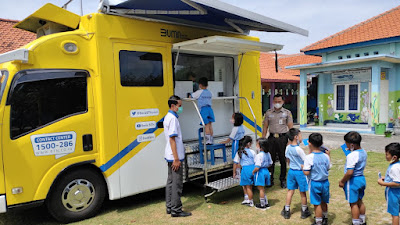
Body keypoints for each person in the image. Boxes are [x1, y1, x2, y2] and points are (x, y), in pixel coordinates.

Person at [163, 95, 191, 217]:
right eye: (179, 106)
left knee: (170, 182)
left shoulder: (168, 117)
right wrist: (176, 159)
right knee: (177, 183)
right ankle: (176, 209)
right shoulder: (173, 119)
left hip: (169, 155)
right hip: (174, 157)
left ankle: (169, 206)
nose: (181, 108)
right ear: (173, 106)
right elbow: (172, 140)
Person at [262, 94, 293, 188]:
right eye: (275, 101)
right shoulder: (268, 113)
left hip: (282, 138)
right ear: (273, 101)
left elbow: (290, 127)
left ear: (283, 102)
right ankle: (270, 179)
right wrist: (263, 139)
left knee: (283, 159)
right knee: (270, 159)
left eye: (279, 102)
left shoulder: (287, 113)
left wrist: (291, 140)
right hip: (271, 138)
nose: (277, 103)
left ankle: (282, 179)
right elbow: (265, 126)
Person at [281, 128, 311, 219]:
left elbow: (288, 160)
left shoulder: (287, 148)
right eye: (300, 135)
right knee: (302, 193)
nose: (301, 137)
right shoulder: (299, 149)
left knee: (290, 191)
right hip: (300, 173)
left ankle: (286, 210)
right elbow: (306, 161)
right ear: (296, 137)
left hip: (291, 171)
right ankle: (304, 210)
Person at [339, 131, 367, 225]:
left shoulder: (352, 155)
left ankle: (355, 222)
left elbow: (350, 172)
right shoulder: (364, 152)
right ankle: (362, 220)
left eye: (346, 143)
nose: (345, 145)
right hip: (361, 179)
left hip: (353, 181)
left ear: (351, 145)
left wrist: (342, 181)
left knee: (353, 203)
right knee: (360, 200)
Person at [303, 133, 331, 225]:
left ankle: (318, 221)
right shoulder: (326, 156)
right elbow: (328, 167)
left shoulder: (309, 157)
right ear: (322, 143)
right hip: (325, 182)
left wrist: (303, 167)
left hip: (315, 183)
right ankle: (325, 217)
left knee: (317, 203)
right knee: (324, 201)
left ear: (309, 143)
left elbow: (307, 172)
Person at [378, 143, 400, 225]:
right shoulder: (397, 164)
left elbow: (397, 183)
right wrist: (386, 178)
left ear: (394, 157)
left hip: (394, 194)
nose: (385, 156)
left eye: (387, 154)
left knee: (395, 214)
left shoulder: (394, 168)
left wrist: (383, 183)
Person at [233, 136, 256, 207]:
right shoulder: (252, 151)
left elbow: (235, 163)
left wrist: (234, 172)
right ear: (249, 144)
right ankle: (247, 199)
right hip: (253, 168)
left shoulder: (239, 152)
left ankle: (250, 201)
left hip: (245, 170)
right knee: (248, 185)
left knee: (247, 186)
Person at [190, 77, 215, 144]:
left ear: (200, 85)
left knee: (206, 125)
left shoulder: (199, 92)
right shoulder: (210, 92)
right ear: (207, 85)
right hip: (210, 109)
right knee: (210, 125)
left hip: (204, 109)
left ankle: (208, 140)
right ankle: (211, 139)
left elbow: (191, 96)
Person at [252, 138, 273, 210]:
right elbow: (270, 163)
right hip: (266, 171)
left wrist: (253, 171)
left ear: (261, 146)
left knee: (260, 189)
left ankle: (262, 204)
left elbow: (257, 166)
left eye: (257, 144)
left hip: (260, 172)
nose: (256, 146)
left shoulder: (259, 155)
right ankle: (266, 202)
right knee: (263, 189)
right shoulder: (268, 154)